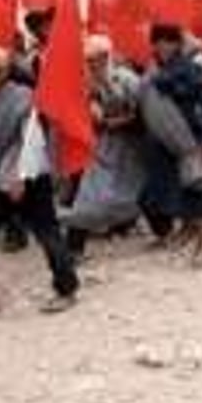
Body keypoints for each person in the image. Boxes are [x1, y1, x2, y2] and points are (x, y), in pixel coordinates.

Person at [0, 43, 80, 319]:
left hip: (27, 177)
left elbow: (29, 140)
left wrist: (19, 176)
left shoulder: (24, 97)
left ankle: (66, 289)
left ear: (2, 72)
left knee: (47, 234)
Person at [138, 24, 202, 267]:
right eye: (158, 41)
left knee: (199, 191)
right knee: (179, 194)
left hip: (195, 141)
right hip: (169, 146)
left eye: (167, 41)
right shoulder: (155, 72)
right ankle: (190, 234)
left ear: (177, 44)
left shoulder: (190, 70)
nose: (162, 46)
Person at [61, 35, 146, 260]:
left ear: (106, 57)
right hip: (99, 146)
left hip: (130, 145)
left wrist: (118, 121)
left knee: (136, 189)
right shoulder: (84, 82)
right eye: (88, 60)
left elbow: (144, 113)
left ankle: (157, 228)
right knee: (85, 193)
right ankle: (74, 246)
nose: (92, 64)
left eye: (96, 59)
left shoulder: (127, 79)